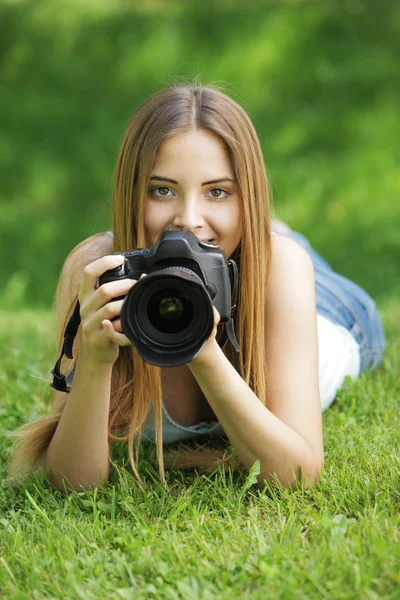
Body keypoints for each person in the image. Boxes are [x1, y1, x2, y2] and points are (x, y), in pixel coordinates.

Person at [5, 83, 386, 494]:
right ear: (131, 193)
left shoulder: (281, 269)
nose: (188, 219)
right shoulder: (99, 271)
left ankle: (270, 231)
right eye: (161, 190)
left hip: (329, 309)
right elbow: (73, 484)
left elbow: (296, 475)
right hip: (238, 245)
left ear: (248, 199)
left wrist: (202, 349)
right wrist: (96, 361)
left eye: (217, 191)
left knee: (285, 250)